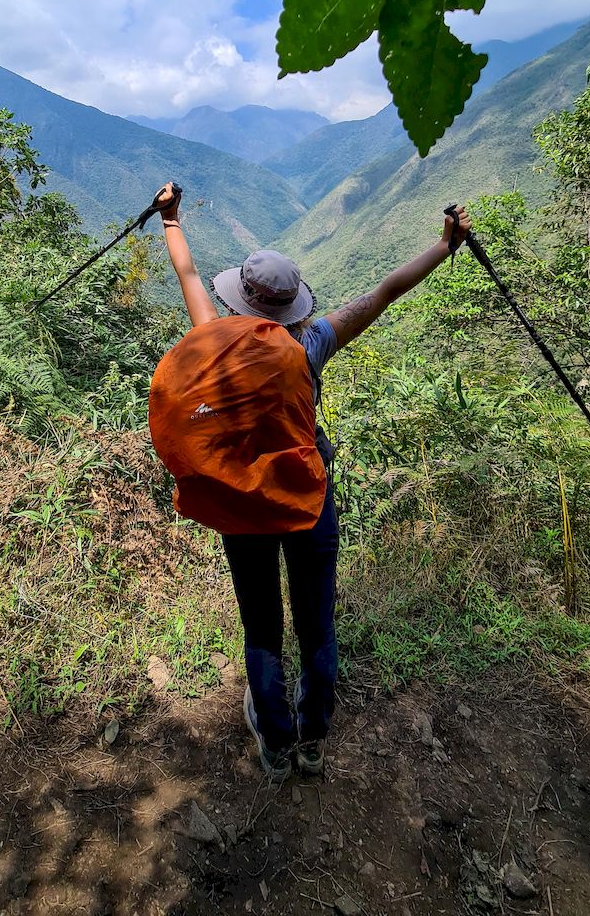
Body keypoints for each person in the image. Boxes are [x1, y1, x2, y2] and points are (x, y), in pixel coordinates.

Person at [155, 182, 471, 781]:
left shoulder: (211, 341)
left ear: (239, 301)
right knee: (316, 623)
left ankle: (276, 742)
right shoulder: (311, 345)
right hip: (306, 499)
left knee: (262, 626)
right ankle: (314, 741)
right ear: (292, 305)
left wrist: (171, 220)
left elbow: (190, 279)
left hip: (240, 501)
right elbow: (383, 293)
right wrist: (444, 245)